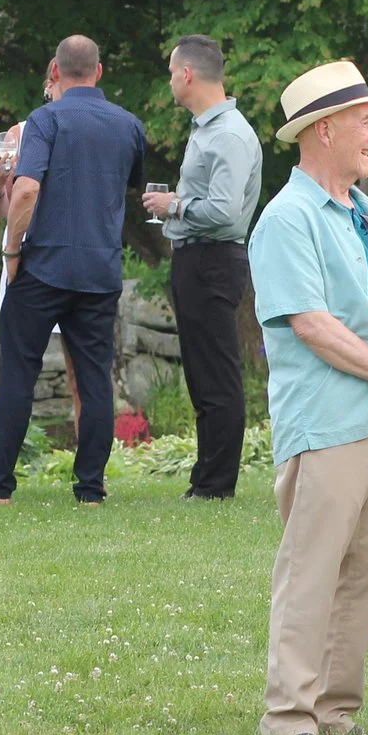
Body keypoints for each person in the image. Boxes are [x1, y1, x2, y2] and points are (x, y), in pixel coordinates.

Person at [248, 60, 368, 735]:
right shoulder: (287, 219)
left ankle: (336, 711)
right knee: (313, 567)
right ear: (324, 130)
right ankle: (289, 716)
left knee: (367, 572)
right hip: (328, 422)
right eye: (366, 121)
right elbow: (312, 323)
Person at [0, 35, 148, 505]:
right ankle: (91, 489)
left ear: (54, 72)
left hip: (44, 266)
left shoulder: (45, 119)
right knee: (95, 379)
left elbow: (28, 189)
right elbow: (128, 188)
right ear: (99, 73)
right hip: (100, 269)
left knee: (19, 375)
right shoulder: (130, 126)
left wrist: (12, 252)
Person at [141, 35, 265, 500]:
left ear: (188, 75)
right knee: (201, 370)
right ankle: (205, 478)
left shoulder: (229, 134)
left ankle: (216, 485)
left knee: (216, 371)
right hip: (197, 258)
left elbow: (227, 211)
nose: (171, 81)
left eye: (173, 73)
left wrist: (175, 205)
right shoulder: (207, 129)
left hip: (213, 259)